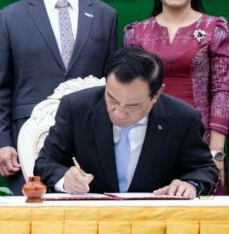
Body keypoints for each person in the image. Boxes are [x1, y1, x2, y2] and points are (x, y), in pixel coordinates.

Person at [0, 0, 118, 193]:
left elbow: (112, 86)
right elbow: (0, 89)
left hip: (89, 143)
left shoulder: (105, 16)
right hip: (29, 143)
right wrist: (1, 143)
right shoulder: (11, 17)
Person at [34, 46, 218, 198]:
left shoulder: (183, 118)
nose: (119, 113)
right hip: (91, 219)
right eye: (112, 99)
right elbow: (45, 162)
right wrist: (65, 179)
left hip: (155, 219)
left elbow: (204, 169)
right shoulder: (76, 108)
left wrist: (190, 184)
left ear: (156, 94)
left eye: (133, 106)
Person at [124, 0, 229, 194]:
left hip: (200, 144)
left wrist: (216, 152)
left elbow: (222, 91)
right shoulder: (136, 33)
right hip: (146, 141)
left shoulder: (215, 29)